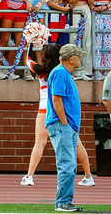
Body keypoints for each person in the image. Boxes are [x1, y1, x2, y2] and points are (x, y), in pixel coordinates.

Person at [22, 43, 95, 187]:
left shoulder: (40, 70)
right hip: (62, 110)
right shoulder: (64, 70)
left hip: (45, 109)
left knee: (40, 142)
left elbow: (27, 60)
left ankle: (29, 176)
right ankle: (88, 176)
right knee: (77, 144)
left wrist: (30, 43)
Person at [46, 43, 85, 212]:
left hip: (68, 126)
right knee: (67, 166)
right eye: (79, 56)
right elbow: (57, 99)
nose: (81, 59)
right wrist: (64, 122)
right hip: (63, 126)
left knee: (69, 165)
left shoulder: (63, 73)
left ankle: (65, 201)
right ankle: (62, 202)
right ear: (71, 58)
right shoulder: (61, 73)